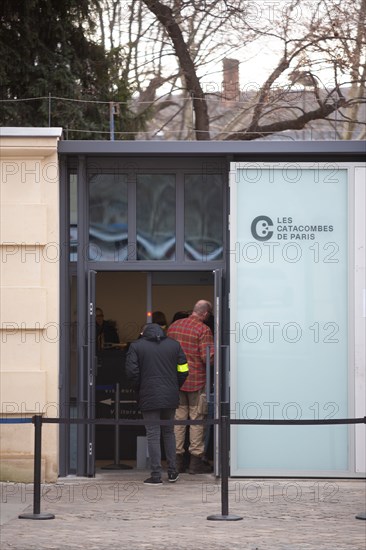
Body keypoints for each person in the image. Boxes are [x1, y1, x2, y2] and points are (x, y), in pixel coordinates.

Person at [125, 323, 189, 485]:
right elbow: (183, 370)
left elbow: (132, 372)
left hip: (149, 395)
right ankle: (173, 471)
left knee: (153, 434)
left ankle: (156, 475)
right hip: (170, 394)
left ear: (142, 332)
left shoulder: (136, 346)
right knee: (169, 432)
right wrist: (175, 386)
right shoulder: (174, 345)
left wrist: (140, 387)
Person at [167, 300, 214, 474]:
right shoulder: (203, 330)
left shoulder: (174, 327)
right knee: (197, 421)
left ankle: (177, 462)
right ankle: (195, 463)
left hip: (176, 381)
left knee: (178, 421)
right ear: (205, 314)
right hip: (196, 381)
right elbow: (207, 358)